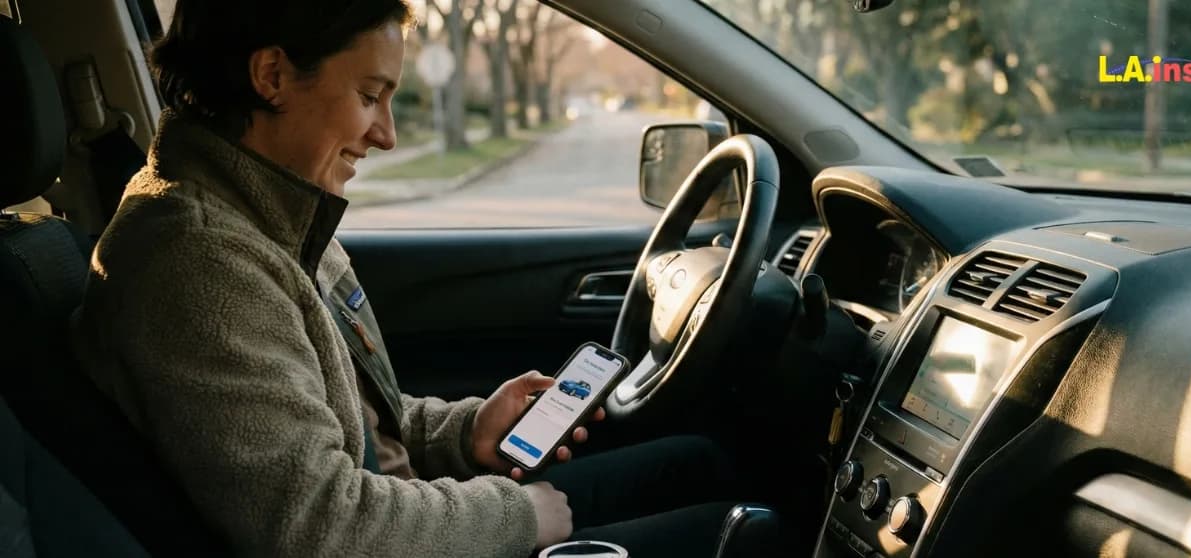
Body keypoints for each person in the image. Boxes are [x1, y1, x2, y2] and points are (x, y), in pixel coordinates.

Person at [70, 0, 741, 556]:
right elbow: (320, 524)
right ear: (271, 75)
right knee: (747, 537)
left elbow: (345, 431)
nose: (387, 134)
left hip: (402, 516)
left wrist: (465, 431)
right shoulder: (198, 264)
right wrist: (516, 517)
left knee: (696, 461)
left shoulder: (277, 211)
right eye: (369, 96)